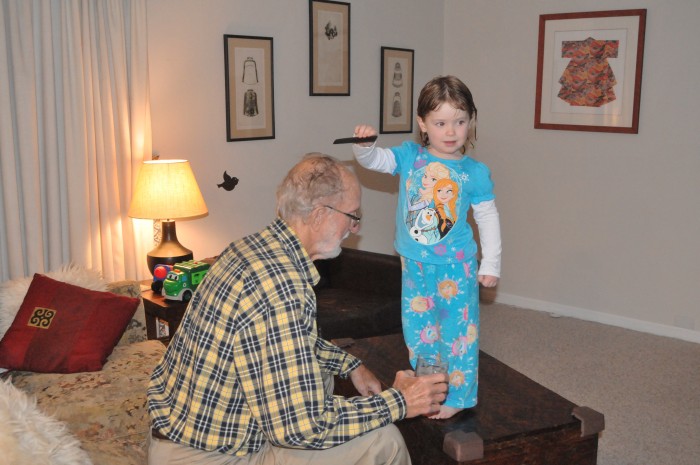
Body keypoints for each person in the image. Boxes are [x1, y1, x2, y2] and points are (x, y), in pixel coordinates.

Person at [147, 153, 448, 465]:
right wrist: (400, 401)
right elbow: (302, 428)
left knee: (320, 376)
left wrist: (349, 364)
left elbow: (286, 337)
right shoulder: (280, 286)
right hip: (208, 457)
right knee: (384, 441)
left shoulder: (252, 247)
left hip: (185, 433)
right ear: (319, 215)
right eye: (352, 216)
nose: (355, 228)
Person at [352, 75, 502, 420]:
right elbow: (375, 161)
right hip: (414, 263)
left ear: (470, 122)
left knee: (458, 335)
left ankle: (460, 396)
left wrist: (490, 263)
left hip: (457, 267)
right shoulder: (409, 157)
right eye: (440, 123)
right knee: (419, 331)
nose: (451, 132)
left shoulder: (474, 172)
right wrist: (364, 146)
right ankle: (428, 387)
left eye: (460, 122)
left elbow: (488, 217)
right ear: (422, 123)